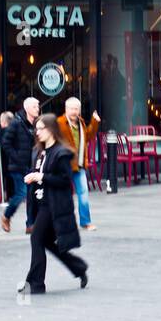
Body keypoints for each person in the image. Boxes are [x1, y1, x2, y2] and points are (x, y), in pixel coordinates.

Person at [18, 113, 89, 295]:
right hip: (41, 203)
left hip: (54, 205)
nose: (38, 132)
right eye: (37, 129)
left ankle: (35, 284)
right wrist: (33, 177)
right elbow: (38, 175)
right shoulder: (38, 151)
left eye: (41, 128)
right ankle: (78, 267)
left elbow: (65, 181)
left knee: (36, 238)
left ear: (51, 130)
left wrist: (40, 176)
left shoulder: (61, 153)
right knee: (47, 242)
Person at [55, 97, 101, 231]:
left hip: (79, 165)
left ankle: (85, 221)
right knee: (63, 196)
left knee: (83, 193)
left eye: (76, 109)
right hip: (63, 166)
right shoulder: (59, 123)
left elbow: (89, 136)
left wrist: (95, 122)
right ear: (66, 109)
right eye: (72, 108)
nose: (74, 111)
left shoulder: (81, 122)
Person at [0, 97, 39, 233]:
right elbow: (5, 142)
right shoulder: (16, 123)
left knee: (31, 196)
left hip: (31, 165)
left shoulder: (36, 124)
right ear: (27, 108)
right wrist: (16, 157)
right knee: (21, 193)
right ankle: (6, 216)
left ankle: (30, 224)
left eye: (38, 106)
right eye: (34, 106)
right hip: (17, 166)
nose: (37, 109)